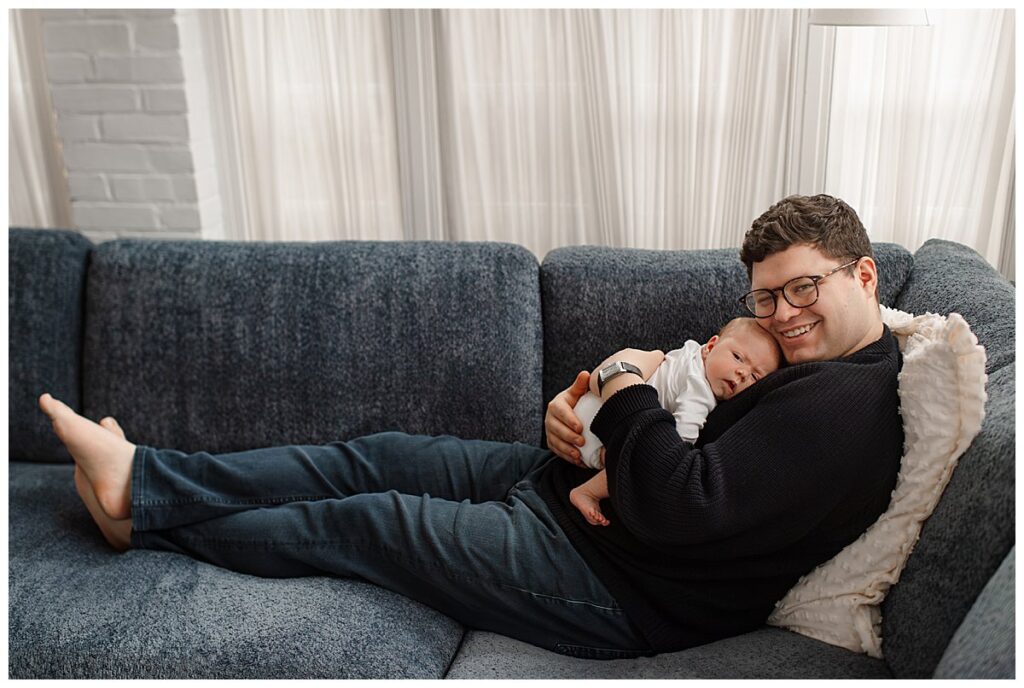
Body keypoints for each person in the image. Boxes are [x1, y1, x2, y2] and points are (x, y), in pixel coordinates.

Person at [39, 194, 903, 658]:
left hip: (613, 584)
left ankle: (140, 522)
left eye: (803, 288)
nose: (782, 314)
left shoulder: (846, 405)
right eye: (765, 294)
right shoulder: (815, 366)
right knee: (375, 455)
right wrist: (587, 412)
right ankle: (149, 476)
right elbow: (691, 410)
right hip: (566, 496)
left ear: (862, 275)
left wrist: (622, 377)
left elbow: (685, 502)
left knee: (365, 522)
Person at [569, 317, 782, 526]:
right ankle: (587, 492)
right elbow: (675, 448)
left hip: (584, 407)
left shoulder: (690, 351)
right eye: (737, 357)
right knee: (641, 466)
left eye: (755, 377)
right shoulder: (700, 391)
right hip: (595, 435)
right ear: (711, 345)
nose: (743, 373)